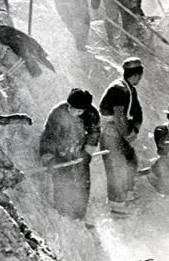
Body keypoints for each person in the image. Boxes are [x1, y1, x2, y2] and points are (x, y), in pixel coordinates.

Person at [38, 89, 101, 220]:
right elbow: (49, 137)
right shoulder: (58, 113)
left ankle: (79, 216)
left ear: (84, 110)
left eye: (78, 111)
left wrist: (87, 152)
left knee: (82, 183)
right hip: (60, 153)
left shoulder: (92, 114)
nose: (73, 112)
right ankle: (62, 215)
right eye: (71, 108)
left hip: (79, 152)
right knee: (62, 182)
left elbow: (94, 134)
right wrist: (49, 158)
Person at [97, 58, 143, 214]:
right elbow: (119, 116)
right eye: (139, 75)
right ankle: (117, 206)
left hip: (121, 131)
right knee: (116, 169)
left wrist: (135, 128)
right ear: (136, 75)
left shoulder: (129, 88)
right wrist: (128, 135)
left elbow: (137, 112)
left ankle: (127, 197)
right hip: (111, 133)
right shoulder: (119, 89)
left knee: (131, 162)